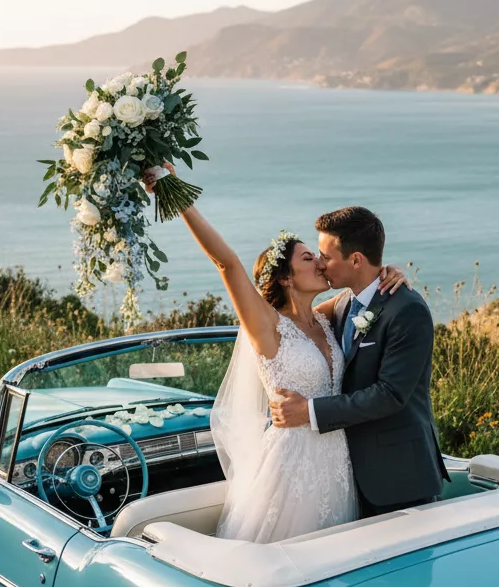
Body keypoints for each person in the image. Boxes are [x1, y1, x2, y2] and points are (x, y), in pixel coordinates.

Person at [148, 174, 407, 542]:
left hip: (336, 463)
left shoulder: (326, 316)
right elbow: (226, 263)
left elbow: (363, 291)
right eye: (308, 257)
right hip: (292, 469)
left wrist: (386, 272)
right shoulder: (266, 326)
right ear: (286, 277)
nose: (320, 262)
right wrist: (173, 192)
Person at [269, 205, 450, 517]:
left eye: (326, 257)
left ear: (355, 259)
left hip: (399, 478)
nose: (321, 266)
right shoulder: (342, 305)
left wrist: (308, 411)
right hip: (346, 476)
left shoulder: (407, 310)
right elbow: (289, 320)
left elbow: (390, 395)